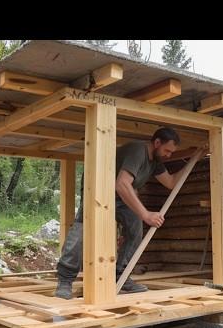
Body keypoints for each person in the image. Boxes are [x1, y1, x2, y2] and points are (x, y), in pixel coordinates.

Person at [54, 127, 186, 299]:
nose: (168, 155)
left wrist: (196, 158)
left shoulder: (155, 162)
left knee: (134, 228)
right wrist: (146, 214)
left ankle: (120, 276)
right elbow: (122, 184)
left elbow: (171, 182)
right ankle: (65, 279)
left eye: (171, 152)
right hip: (98, 188)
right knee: (83, 229)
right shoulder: (138, 151)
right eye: (167, 150)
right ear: (157, 142)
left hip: (120, 196)